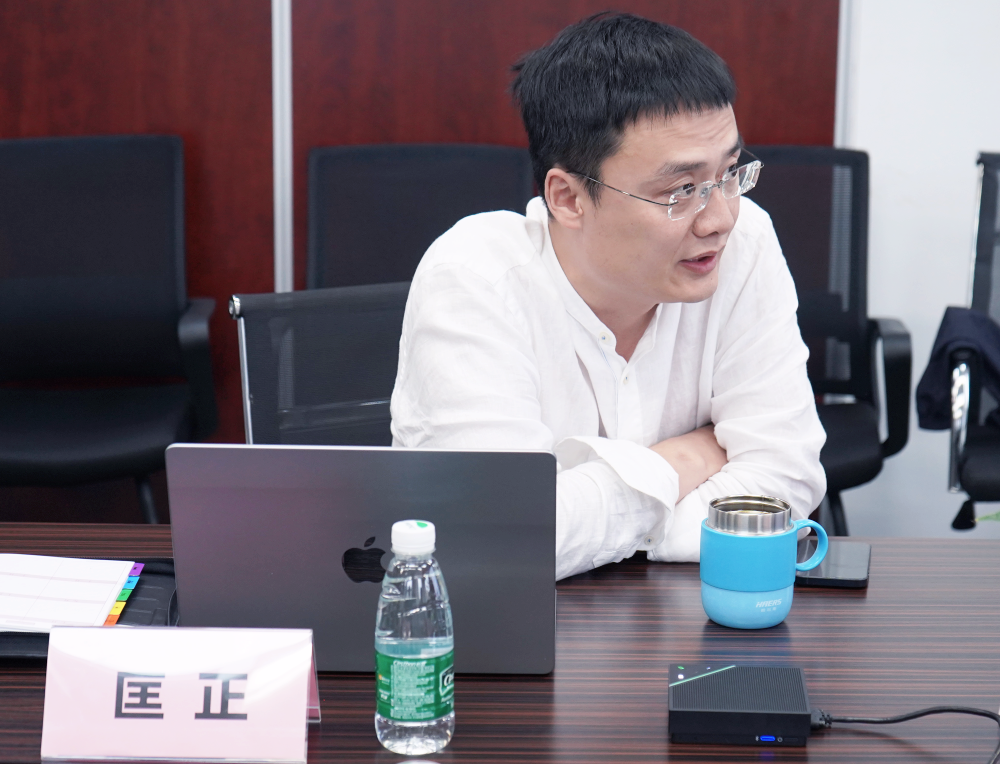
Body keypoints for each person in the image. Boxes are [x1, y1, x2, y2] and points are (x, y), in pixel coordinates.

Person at [390, 12, 826, 580]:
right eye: (682, 190)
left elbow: (786, 481)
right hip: (515, 632)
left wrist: (580, 527)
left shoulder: (745, 242)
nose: (719, 218)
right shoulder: (476, 278)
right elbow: (497, 539)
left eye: (729, 173)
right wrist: (681, 460)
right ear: (568, 198)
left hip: (691, 618)